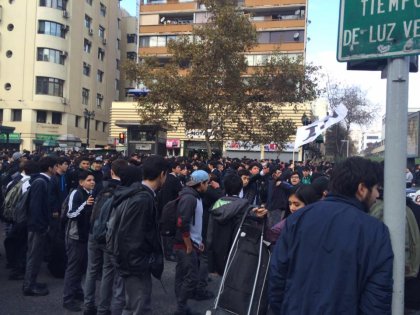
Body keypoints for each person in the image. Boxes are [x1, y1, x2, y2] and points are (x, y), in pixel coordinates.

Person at [269, 157, 394, 314]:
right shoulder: (375, 231)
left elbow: (277, 277)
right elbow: (377, 297)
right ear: (362, 189)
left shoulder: (297, 219)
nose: (377, 195)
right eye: (376, 188)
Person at [113, 155, 167, 315]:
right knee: (139, 307)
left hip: (131, 262)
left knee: (131, 306)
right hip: (136, 265)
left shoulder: (138, 192)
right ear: (162, 174)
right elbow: (131, 236)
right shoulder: (143, 199)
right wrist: (143, 264)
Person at [83, 159, 128, 315]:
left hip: (93, 231)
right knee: (108, 271)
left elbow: (91, 205)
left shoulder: (100, 185)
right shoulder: (124, 190)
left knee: (91, 269)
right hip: (108, 236)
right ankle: (103, 309)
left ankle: (88, 305)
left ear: (111, 171)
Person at [173, 170, 209, 315]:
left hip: (192, 243)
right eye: (207, 183)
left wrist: (198, 241)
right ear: (201, 183)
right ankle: (181, 308)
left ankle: (181, 306)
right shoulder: (190, 198)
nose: (208, 186)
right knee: (191, 277)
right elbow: (182, 222)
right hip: (184, 245)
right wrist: (189, 244)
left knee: (182, 275)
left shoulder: (196, 196)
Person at [23, 156, 57, 296]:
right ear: (49, 168)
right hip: (37, 226)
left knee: (36, 255)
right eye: (55, 166)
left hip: (38, 225)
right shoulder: (40, 182)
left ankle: (32, 282)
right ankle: (29, 286)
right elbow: (36, 207)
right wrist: (41, 226)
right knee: (34, 256)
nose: (57, 168)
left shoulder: (43, 181)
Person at [63, 171, 96, 312]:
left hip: (84, 236)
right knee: (73, 268)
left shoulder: (89, 193)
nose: (92, 182)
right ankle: (68, 298)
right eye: (89, 180)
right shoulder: (76, 193)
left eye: (93, 179)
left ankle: (77, 292)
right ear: (81, 182)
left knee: (80, 268)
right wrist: (84, 204)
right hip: (74, 236)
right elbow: (70, 213)